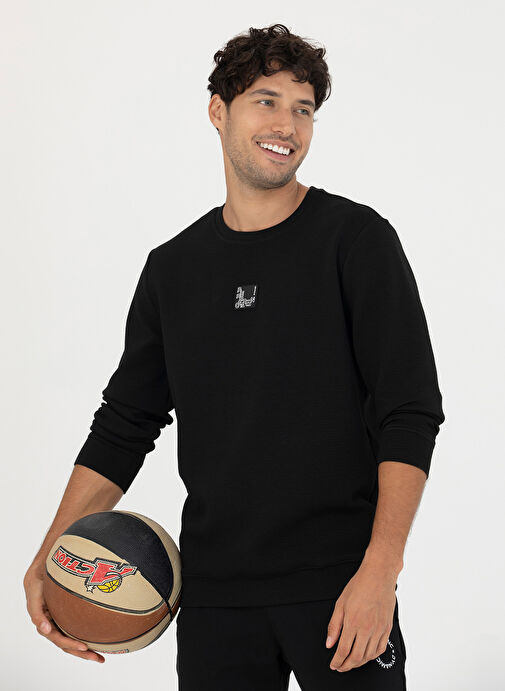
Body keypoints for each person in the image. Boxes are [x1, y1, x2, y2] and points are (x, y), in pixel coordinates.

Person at [24, 23, 445, 690]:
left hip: (340, 586)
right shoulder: (173, 270)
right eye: (265, 101)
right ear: (218, 111)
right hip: (214, 596)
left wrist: (380, 571)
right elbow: (125, 424)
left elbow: (410, 411)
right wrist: (52, 552)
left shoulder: (355, 241)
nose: (287, 125)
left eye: (303, 108)